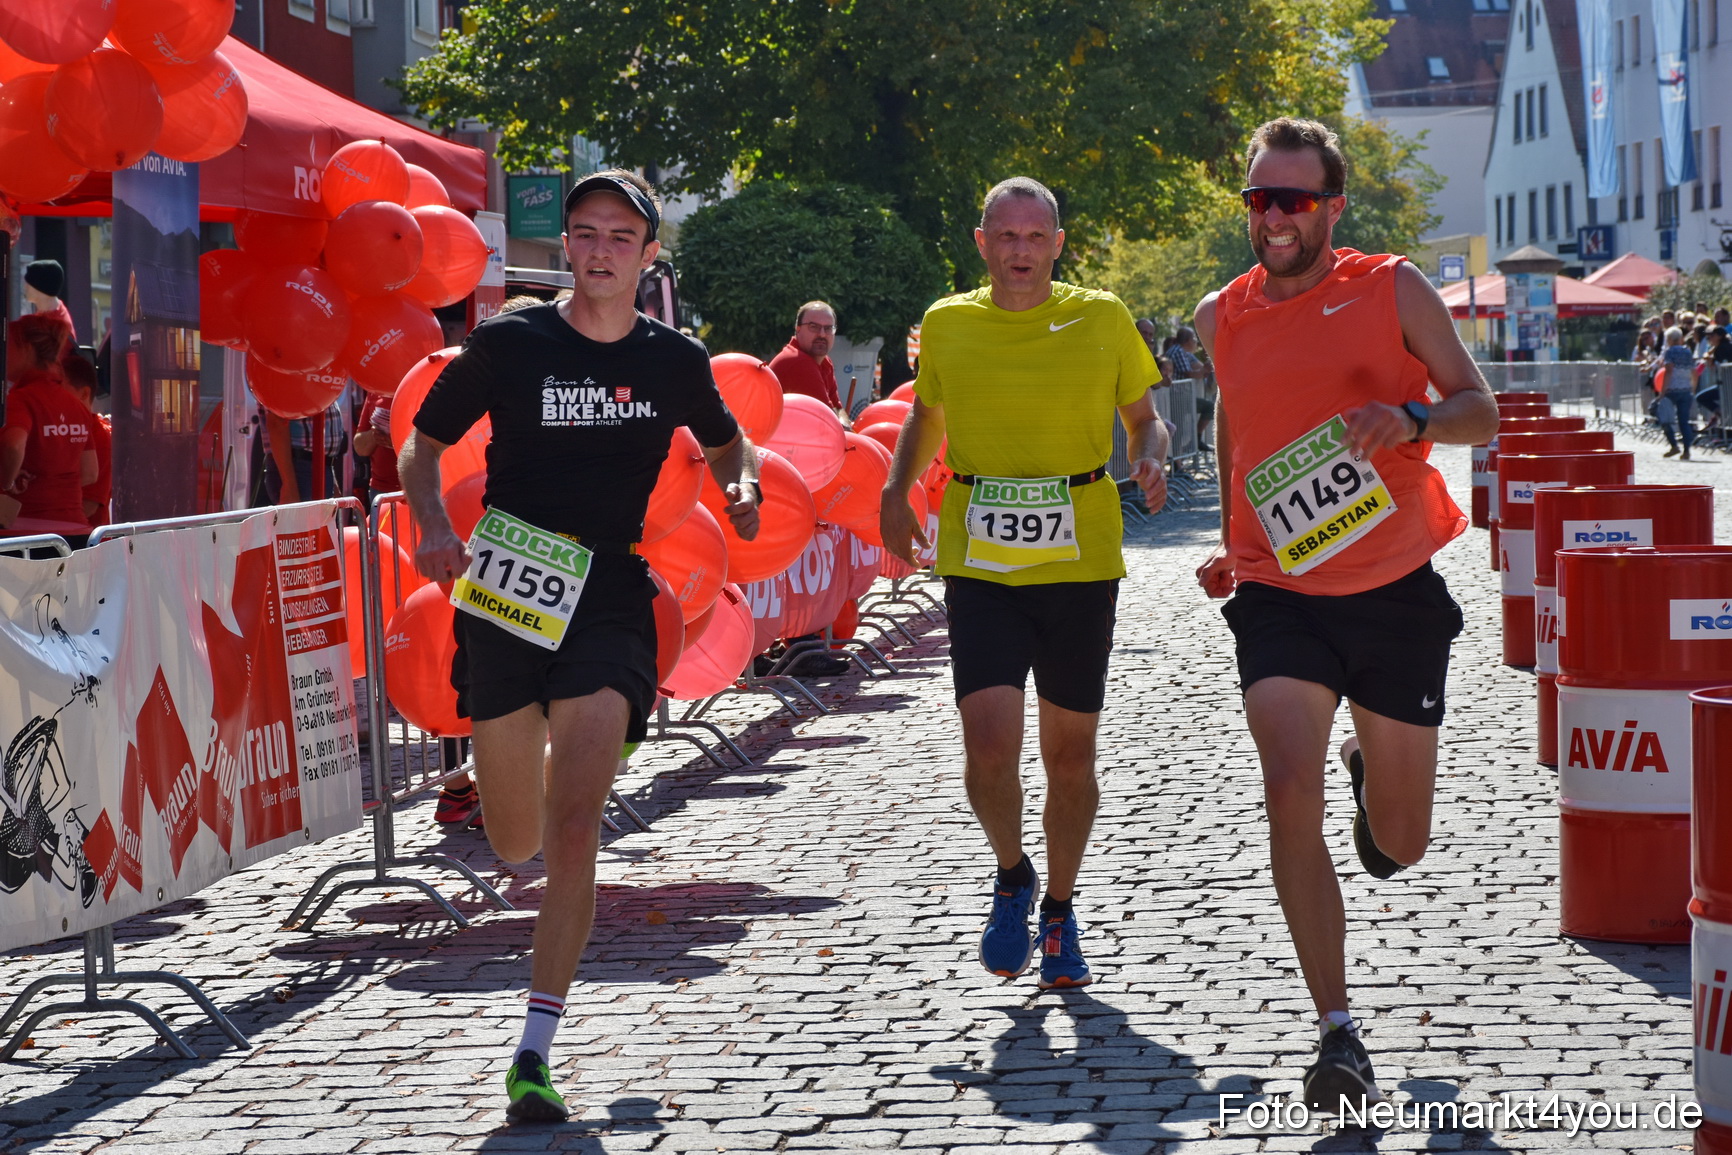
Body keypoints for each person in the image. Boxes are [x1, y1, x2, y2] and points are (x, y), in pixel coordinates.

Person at [398, 170, 760, 1123]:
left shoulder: (675, 358)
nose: (598, 250)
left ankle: (534, 1049)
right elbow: (422, 445)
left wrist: (745, 486)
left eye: (618, 237)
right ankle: (568, 736)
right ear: (568, 246)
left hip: (608, 589)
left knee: (572, 827)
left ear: (647, 256)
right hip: (510, 589)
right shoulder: (513, 342)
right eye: (584, 233)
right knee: (515, 837)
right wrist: (433, 521)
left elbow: (728, 444)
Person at [1192, 117, 1497, 1110]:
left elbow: (1476, 408)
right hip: (1281, 595)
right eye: (1258, 199)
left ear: (1331, 207)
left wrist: (1409, 417)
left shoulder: (1391, 287)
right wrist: (1233, 541)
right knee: (1286, 784)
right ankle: (1337, 1031)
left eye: (1293, 200)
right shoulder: (1219, 316)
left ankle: (1374, 774)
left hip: (1392, 591)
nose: (1273, 217)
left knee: (1399, 843)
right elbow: (1242, 422)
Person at [880, 176, 1169, 992]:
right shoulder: (948, 323)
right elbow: (925, 419)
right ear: (981, 244)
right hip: (982, 561)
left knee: (1070, 756)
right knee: (988, 746)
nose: (1018, 251)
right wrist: (895, 487)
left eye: (1034, 236)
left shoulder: (1104, 316)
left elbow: (1144, 415)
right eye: (1004, 236)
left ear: (1057, 243)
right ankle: (1012, 872)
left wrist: (1149, 451)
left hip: (1080, 561)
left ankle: (1061, 910)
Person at [1, 315, 97, 546]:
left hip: (26, 536)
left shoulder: (21, 399)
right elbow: (90, 472)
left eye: (8, 346)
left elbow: (13, 445)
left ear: (27, 349)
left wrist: (6, 482)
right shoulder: (74, 404)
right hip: (75, 533)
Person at [261, 396, 347, 503]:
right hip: (299, 467)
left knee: (316, 519)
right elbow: (276, 422)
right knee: (302, 519)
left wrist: (330, 477)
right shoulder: (288, 382)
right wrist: (289, 484)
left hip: (314, 466)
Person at [768, 301, 844, 414]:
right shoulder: (798, 361)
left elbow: (838, 409)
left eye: (828, 328)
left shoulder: (825, 362)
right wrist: (845, 425)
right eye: (814, 327)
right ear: (797, 329)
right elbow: (827, 418)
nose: (822, 334)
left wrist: (845, 423)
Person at [61, 356, 110, 529]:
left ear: (84, 394)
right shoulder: (56, 427)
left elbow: (89, 505)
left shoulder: (101, 436)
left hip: (87, 546)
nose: (53, 397)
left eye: (60, 390)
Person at [1656, 325, 1697, 459]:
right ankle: (1686, 451)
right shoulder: (1687, 352)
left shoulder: (1670, 352)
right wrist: (1693, 388)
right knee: (1683, 421)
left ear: (1669, 339)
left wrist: (1662, 392)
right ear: (1680, 338)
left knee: (1665, 418)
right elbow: (1694, 371)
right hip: (1686, 389)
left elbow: (1668, 371)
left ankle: (1674, 445)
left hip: (1671, 389)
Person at [22, 260, 77, 345]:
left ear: (41, 287)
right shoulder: (47, 314)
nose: (25, 287)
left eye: (29, 283)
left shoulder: (58, 326)